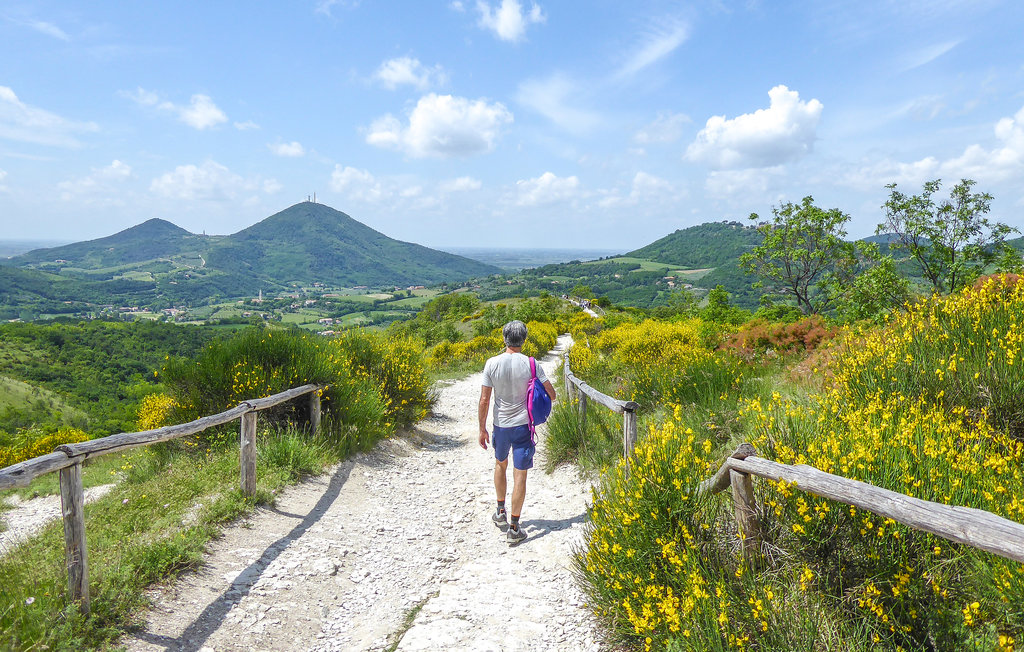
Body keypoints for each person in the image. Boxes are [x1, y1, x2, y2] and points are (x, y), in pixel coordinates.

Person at [478, 320, 556, 545]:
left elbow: (484, 399)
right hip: (523, 426)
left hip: (500, 426)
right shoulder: (532, 364)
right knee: (520, 474)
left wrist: (481, 428)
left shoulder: (491, 363)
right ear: (524, 339)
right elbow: (552, 394)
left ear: (504, 338)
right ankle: (514, 527)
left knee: (500, 464)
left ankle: (500, 511)